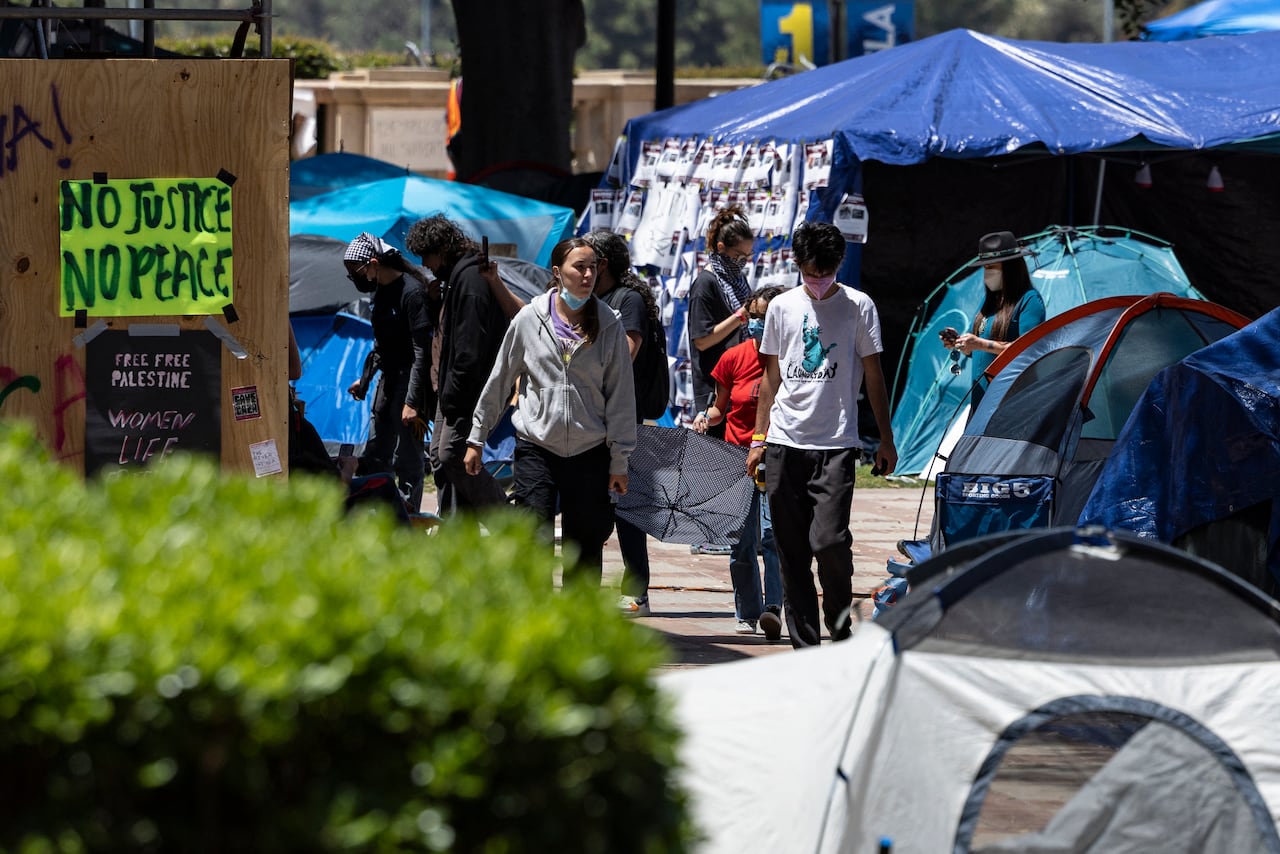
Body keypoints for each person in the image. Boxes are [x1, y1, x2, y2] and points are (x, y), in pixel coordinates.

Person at [746, 221, 898, 649]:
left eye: (824, 272)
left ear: (838, 265)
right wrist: (760, 439)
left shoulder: (858, 306)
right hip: (784, 444)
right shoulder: (781, 307)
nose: (816, 281)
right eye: (809, 273)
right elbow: (771, 376)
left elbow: (873, 374)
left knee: (829, 542)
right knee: (791, 552)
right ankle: (805, 646)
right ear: (796, 265)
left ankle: (840, 619)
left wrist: (885, 439)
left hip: (835, 445)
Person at [463, 237, 636, 586]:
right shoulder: (529, 320)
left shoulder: (609, 324)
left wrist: (619, 460)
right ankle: (535, 623)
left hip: (590, 451)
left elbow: (620, 397)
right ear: (558, 273)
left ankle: (579, 626)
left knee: (585, 546)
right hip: (537, 446)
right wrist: (476, 437)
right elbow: (500, 381)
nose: (588, 275)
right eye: (579, 267)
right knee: (533, 539)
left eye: (593, 267)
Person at [405, 214, 511, 521]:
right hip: (451, 388)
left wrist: (454, 394)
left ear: (440, 249)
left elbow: (470, 347)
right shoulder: (458, 279)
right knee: (440, 457)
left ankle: (510, 522)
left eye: (427, 255)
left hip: (465, 390)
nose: (426, 263)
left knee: (452, 455)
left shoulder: (470, 281)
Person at [697, 285, 785, 639]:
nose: (757, 324)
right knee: (742, 541)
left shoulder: (791, 358)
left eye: (765, 318)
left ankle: (774, 607)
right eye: (753, 317)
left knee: (773, 536)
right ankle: (747, 611)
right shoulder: (732, 358)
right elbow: (721, 407)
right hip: (738, 459)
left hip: (778, 456)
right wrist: (707, 418)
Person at [584, 229, 661, 616]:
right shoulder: (592, 300)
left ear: (604, 264)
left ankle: (637, 591)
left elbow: (627, 353)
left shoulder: (626, 301)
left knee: (628, 506)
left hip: (624, 419)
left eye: (589, 263)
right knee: (600, 507)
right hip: (593, 417)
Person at [343, 233, 433, 511]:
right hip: (389, 379)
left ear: (373, 262)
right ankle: (375, 510)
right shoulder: (380, 291)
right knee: (375, 449)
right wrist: (366, 380)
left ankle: (410, 514)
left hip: (412, 381)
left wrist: (412, 402)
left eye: (355, 270)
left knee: (407, 455)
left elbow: (423, 352)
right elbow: (380, 345)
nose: (354, 277)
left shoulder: (412, 292)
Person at [940, 230, 1046, 409]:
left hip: (1010, 403)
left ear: (1010, 268)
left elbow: (1029, 352)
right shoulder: (990, 300)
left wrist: (980, 344)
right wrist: (963, 344)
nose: (986, 273)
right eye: (984, 268)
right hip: (980, 402)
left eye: (991, 267)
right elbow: (980, 352)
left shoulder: (1030, 301)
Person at [688, 205, 755, 439]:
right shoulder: (705, 284)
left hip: (740, 382)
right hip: (714, 389)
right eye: (739, 256)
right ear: (721, 248)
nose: (743, 261)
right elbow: (702, 340)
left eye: (747, 256)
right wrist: (740, 316)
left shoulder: (737, 279)